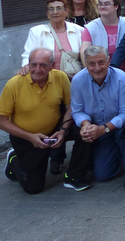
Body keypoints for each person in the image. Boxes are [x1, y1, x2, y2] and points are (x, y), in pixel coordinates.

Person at [1, 48, 90, 193]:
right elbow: (2, 120)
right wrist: (30, 137)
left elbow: (70, 107)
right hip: (26, 137)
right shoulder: (14, 84)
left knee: (84, 130)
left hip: (54, 129)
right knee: (33, 188)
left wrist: (63, 131)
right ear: (28, 65)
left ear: (51, 65)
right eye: (33, 64)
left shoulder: (60, 77)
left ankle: (75, 176)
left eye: (43, 65)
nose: (37, 69)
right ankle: (14, 161)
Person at [19, 0, 83, 175]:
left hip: (74, 83)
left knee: (74, 117)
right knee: (55, 117)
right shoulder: (37, 31)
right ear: (47, 13)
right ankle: (56, 157)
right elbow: (28, 54)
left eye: (59, 8)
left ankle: (81, 158)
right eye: (51, 9)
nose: (55, 12)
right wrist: (26, 65)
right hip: (49, 84)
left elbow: (84, 55)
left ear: (67, 11)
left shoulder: (78, 30)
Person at [71, 46, 125, 187]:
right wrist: (85, 125)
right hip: (96, 130)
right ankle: (110, 155)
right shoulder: (77, 80)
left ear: (108, 61)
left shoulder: (122, 78)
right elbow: (77, 111)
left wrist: (104, 129)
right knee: (103, 175)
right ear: (86, 63)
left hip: (118, 128)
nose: (97, 68)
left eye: (101, 62)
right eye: (92, 64)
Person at [80, 0, 125, 67]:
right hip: (98, 71)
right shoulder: (90, 27)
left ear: (116, 6)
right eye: (100, 4)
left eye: (107, 4)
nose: (102, 6)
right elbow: (84, 51)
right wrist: (89, 70)